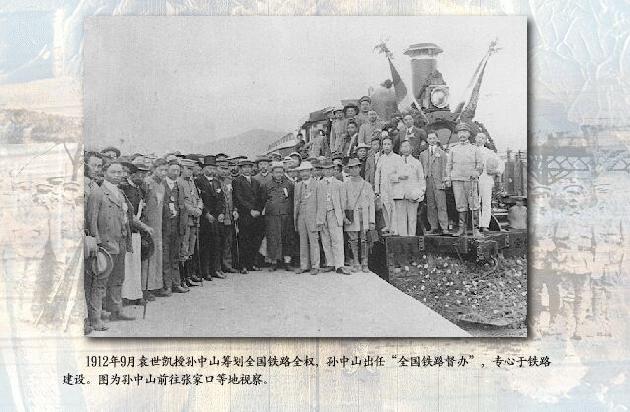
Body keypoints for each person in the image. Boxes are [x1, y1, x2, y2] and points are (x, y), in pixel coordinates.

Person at [86, 161, 135, 329]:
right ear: (105, 173)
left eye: (120, 172)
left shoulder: (120, 193)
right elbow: (92, 220)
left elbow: (125, 218)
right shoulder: (98, 193)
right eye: (113, 172)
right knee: (100, 282)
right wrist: (97, 242)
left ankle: (116, 310)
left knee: (118, 278)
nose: (117, 175)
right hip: (105, 244)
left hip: (120, 241)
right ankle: (95, 318)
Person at [446, 123, 483, 237]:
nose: (462, 134)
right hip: (457, 180)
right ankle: (462, 229)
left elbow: (480, 165)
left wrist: (476, 173)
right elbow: (449, 165)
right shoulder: (453, 149)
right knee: (460, 204)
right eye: (460, 132)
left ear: (468, 134)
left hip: (470, 180)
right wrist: (448, 178)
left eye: (464, 132)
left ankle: (475, 229)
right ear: (457, 134)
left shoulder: (475, 149)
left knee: (474, 204)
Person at [141, 158, 169, 299]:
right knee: (148, 257)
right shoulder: (147, 183)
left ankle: (156, 285)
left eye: (165, 170)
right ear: (153, 169)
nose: (163, 173)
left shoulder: (162, 186)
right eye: (161, 170)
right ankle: (145, 288)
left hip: (158, 225)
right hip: (148, 225)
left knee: (157, 255)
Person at [196, 155, 226, 280]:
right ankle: (206, 271)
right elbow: (199, 200)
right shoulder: (198, 181)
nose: (211, 170)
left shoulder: (217, 182)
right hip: (205, 218)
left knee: (216, 244)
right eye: (209, 168)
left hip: (217, 218)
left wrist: (221, 213)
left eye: (213, 168)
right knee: (206, 245)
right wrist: (206, 213)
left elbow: (221, 199)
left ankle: (216, 269)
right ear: (204, 169)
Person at [232, 158, 264, 273]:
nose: (247, 170)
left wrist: (258, 210)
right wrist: (250, 210)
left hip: (255, 215)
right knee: (244, 240)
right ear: (240, 169)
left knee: (254, 240)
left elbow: (260, 198)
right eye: (244, 167)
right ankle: (243, 265)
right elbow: (238, 198)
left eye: (249, 167)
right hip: (244, 215)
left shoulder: (256, 182)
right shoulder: (237, 181)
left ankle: (251, 264)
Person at [343, 158, 375, 273]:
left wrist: (372, 220)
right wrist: (344, 217)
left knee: (364, 239)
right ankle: (356, 262)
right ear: (348, 170)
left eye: (356, 167)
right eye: (351, 168)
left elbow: (371, 204)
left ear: (360, 168)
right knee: (353, 240)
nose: (354, 170)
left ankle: (365, 262)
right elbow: (343, 202)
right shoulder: (345, 185)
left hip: (364, 215)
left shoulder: (367, 185)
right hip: (351, 215)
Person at [161, 160, 188, 294]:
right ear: (167, 170)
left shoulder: (180, 186)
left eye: (178, 170)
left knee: (175, 256)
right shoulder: (162, 184)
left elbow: (182, 206)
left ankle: (176, 283)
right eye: (173, 170)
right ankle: (167, 285)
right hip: (165, 226)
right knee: (165, 257)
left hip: (177, 226)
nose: (176, 173)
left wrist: (182, 226)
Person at [317, 159, 348, 274]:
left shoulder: (339, 184)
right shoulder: (318, 184)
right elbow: (317, 201)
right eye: (326, 169)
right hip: (323, 214)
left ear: (333, 170)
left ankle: (339, 265)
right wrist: (319, 216)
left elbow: (343, 201)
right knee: (325, 239)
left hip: (334, 213)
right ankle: (330, 263)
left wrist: (342, 214)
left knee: (337, 239)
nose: (328, 171)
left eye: (330, 169)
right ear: (323, 171)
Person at [263, 162, 295, 271]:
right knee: (273, 238)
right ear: (272, 173)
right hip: (272, 216)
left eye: (281, 172)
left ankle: (287, 262)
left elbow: (292, 199)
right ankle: (274, 262)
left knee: (287, 237)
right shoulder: (266, 185)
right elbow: (262, 200)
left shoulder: (289, 184)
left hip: (286, 215)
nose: (279, 174)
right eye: (276, 172)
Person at [177, 157, 203, 287]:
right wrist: (194, 210)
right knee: (184, 248)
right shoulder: (179, 182)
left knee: (191, 248)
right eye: (188, 169)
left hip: (194, 220)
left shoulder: (192, 182)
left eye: (192, 169)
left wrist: (199, 208)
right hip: (185, 220)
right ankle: (182, 278)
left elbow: (198, 198)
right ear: (182, 169)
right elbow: (183, 202)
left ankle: (189, 275)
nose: (190, 172)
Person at [392, 140, 426, 236]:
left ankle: (412, 239)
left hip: (412, 195)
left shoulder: (416, 162)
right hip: (399, 194)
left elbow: (421, 178)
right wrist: (399, 177)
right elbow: (390, 176)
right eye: (403, 146)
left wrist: (420, 193)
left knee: (412, 219)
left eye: (407, 146)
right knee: (401, 219)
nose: (405, 149)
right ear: (400, 149)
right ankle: (403, 240)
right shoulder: (396, 161)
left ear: (411, 148)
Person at [293, 161, 321, 275]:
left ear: (311, 171)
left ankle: (315, 265)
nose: (304, 173)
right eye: (302, 171)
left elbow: (320, 203)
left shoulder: (317, 184)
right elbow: (296, 202)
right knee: (303, 241)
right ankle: (304, 265)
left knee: (314, 241)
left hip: (313, 217)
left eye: (306, 171)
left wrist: (319, 219)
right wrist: (295, 218)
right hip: (301, 217)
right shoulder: (298, 185)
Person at [420, 132, 449, 234]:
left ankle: (444, 226)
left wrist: (444, 181)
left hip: (439, 181)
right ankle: (433, 226)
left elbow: (445, 168)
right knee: (430, 205)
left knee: (441, 205)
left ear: (437, 139)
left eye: (433, 138)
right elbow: (421, 169)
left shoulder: (442, 153)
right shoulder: (423, 154)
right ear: (427, 140)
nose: (432, 140)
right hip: (428, 181)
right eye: (430, 138)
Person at [475, 132, 505, 232]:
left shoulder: (489, 152)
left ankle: (484, 225)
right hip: (474, 178)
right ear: (475, 138)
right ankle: (476, 225)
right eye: (478, 137)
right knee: (475, 202)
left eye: (482, 138)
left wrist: (496, 171)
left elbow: (501, 163)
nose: (480, 139)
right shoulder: (471, 150)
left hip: (486, 178)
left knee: (486, 202)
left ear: (485, 140)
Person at [374, 136, 401, 233]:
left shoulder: (397, 158)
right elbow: (377, 174)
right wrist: (377, 189)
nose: (386, 146)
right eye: (384, 144)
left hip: (394, 186)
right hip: (383, 186)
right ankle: (388, 225)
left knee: (393, 207)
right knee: (384, 206)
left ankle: (394, 228)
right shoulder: (381, 158)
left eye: (388, 144)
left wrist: (395, 179)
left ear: (392, 145)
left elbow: (401, 173)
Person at [217, 159, 238, 274]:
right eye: (221, 168)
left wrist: (235, 210)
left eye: (226, 168)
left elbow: (234, 198)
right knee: (218, 242)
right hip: (219, 216)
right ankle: (217, 266)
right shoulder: (214, 181)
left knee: (228, 241)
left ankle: (227, 264)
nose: (224, 171)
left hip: (229, 216)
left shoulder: (230, 181)